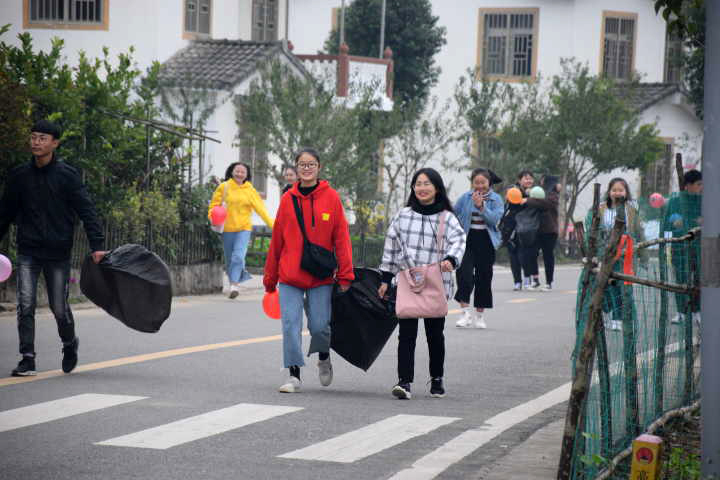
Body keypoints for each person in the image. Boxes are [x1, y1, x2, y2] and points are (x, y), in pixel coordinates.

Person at [0, 120, 107, 377]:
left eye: (43, 138)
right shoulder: (19, 176)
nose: (36, 142)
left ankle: (69, 344)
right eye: (33, 137)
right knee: (25, 304)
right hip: (28, 250)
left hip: (58, 252)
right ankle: (28, 358)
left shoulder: (67, 176)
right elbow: (5, 213)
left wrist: (97, 245)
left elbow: (87, 210)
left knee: (58, 306)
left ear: (55, 143)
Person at [264, 148, 354, 393]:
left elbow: (341, 238)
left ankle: (323, 356)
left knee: (319, 326)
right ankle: (294, 374)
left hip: (320, 275)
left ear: (319, 167)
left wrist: (346, 274)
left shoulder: (331, 198)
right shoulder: (287, 200)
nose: (306, 168)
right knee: (290, 324)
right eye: (302, 164)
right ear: (296, 168)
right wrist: (270, 278)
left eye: (311, 164)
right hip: (290, 275)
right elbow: (276, 242)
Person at [378, 168, 466, 400]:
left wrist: (451, 259)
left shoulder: (447, 218)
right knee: (406, 334)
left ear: (437, 188)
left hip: (436, 280)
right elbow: (391, 247)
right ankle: (404, 382)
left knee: (434, 334)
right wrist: (386, 277)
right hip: (407, 281)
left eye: (427, 183)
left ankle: (437, 379)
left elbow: (459, 240)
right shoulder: (403, 215)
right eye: (418, 184)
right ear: (413, 188)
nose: (422, 188)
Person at [585, 177, 645, 331]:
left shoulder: (632, 209)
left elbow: (639, 232)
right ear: (609, 192)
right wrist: (595, 252)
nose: (617, 193)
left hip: (626, 256)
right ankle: (610, 314)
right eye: (614, 190)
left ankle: (620, 318)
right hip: (606, 254)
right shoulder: (601, 208)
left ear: (626, 192)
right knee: (608, 286)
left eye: (620, 190)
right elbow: (593, 230)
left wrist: (643, 256)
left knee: (624, 287)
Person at [208, 162, 273, 299]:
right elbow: (214, 205)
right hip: (227, 229)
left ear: (246, 175)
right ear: (232, 172)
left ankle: (234, 286)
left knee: (238, 256)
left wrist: (274, 226)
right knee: (230, 259)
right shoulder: (224, 187)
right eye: (237, 171)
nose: (239, 174)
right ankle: (235, 280)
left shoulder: (250, 190)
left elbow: (262, 210)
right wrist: (212, 216)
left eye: (242, 172)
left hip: (244, 228)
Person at [453, 168, 504, 329]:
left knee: (484, 278)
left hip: (486, 242)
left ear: (489, 183)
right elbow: (453, 214)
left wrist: (481, 206)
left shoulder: (496, 199)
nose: (480, 186)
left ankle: (480, 316)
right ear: (472, 183)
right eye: (477, 182)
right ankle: (464, 313)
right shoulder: (465, 197)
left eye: (483, 182)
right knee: (464, 275)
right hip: (467, 241)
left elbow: (494, 219)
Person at [664, 169, 702, 324]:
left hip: (701, 248)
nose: (702, 187)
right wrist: (673, 228)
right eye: (699, 184)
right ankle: (681, 311)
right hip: (679, 247)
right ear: (688, 185)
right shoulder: (674, 201)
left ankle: (697, 311)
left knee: (700, 279)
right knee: (681, 279)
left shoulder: (705, 200)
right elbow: (667, 223)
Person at [522, 175, 561, 291]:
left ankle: (549, 282)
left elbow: (545, 204)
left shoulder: (552, 195)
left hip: (549, 231)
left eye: (544, 181)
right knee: (531, 254)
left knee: (548, 256)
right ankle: (535, 279)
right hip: (536, 229)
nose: (541, 182)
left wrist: (528, 200)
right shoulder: (539, 193)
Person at [504, 171, 534, 291]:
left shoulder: (535, 192)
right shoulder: (513, 190)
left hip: (527, 228)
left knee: (525, 255)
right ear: (520, 180)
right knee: (513, 256)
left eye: (530, 179)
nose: (528, 181)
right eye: (526, 178)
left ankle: (527, 280)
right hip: (512, 228)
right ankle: (517, 281)